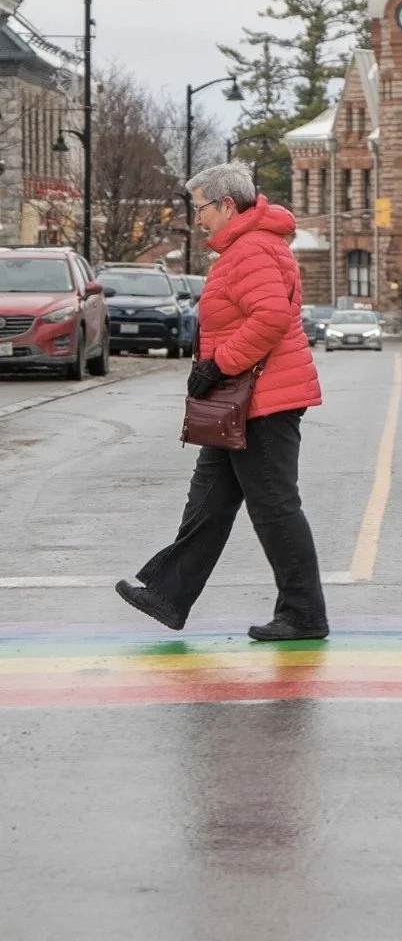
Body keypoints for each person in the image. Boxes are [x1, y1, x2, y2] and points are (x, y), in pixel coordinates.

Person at [115, 163, 328, 642]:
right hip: (236, 401)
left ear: (228, 205)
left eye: (202, 208)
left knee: (275, 507)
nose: (198, 219)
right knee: (208, 501)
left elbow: (271, 316)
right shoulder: (244, 248)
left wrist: (219, 365)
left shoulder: (251, 248)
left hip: (263, 400)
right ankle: (167, 594)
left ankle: (304, 614)